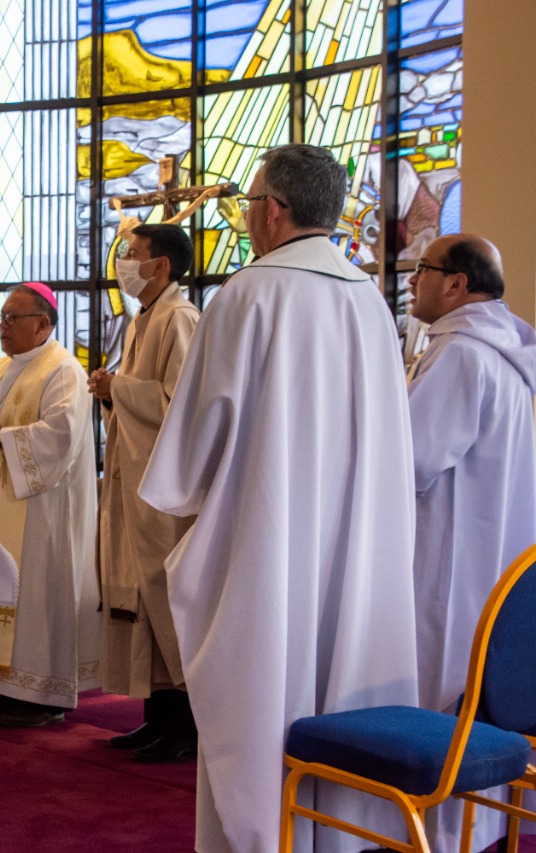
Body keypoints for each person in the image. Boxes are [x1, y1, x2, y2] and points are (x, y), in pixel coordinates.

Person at [138, 144, 420, 852]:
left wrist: (185, 487)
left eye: (249, 201)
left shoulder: (248, 294)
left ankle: (263, 834)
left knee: (266, 693)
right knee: (341, 679)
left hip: (268, 538)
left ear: (273, 209)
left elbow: (197, 443)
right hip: (357, 545)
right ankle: (345, 835)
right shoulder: (368, 300)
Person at [405, 234, 536, 853]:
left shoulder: (460, 355)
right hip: (498, 556)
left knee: (441, 695)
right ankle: (481, 826)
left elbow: (414, 460)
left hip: (448, 563)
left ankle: (436, 829)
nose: (411, 279)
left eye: (421, 269)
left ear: (457, 284)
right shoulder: (509, 351)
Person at [0, 282, 99, 728]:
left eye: (12, 319)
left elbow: (61, 436)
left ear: (42, 324)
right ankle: (7, 684)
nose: (3, 326)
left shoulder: (63, 371)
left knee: (36, 591)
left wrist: (2, 437)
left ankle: (42, 692)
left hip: (40, 511)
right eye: (1, 318)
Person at [89, 223, 199, 761]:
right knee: (137, 594)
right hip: (135, 477)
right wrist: (112, 394)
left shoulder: (180, 319)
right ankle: (156, 716)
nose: (124, 262)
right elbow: (139, 400)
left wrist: (119, 388)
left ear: (161, 266)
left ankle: (185, 724)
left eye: (133, 254)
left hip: (164, 488)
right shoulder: (143, 321)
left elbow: (183, 404)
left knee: (162, 594)